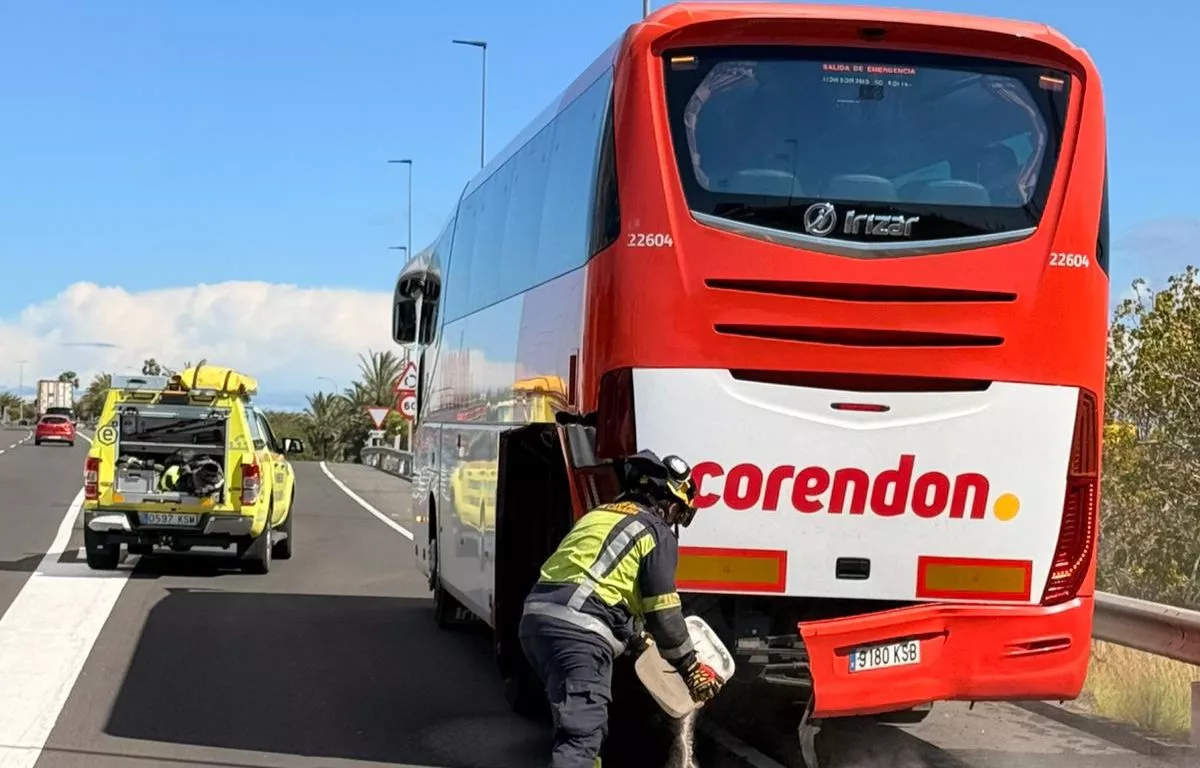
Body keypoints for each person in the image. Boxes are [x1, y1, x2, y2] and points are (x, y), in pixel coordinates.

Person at [519, 449, 725, 767]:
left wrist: (636, 636)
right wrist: (690, 668)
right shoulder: (655, 532)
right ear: (670, 503)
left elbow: (599, 582)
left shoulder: (600, 514)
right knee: (581, 736)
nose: (674, 520)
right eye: (678, 512)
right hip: (579, 633)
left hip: (537, 621)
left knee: (587, 726)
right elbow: (665, 614)